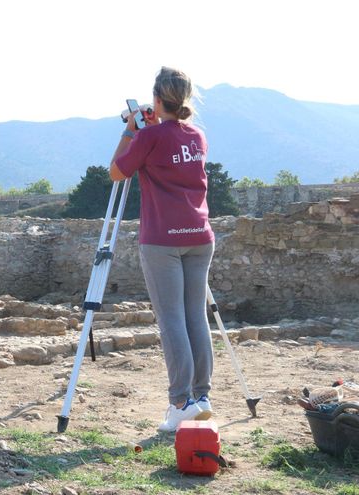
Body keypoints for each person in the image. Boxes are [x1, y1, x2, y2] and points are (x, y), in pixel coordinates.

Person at [110, 67, 215, 432]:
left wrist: (131, 129)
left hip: (162, 239)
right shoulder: (197, 135)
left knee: (171, 320)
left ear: (156, 99)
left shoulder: (150, 137)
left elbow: (117, 171)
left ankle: (180, 402)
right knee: (194, 317)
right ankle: (201, 397)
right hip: (200, 236)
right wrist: (152, 128)